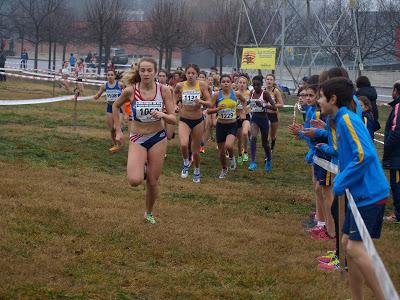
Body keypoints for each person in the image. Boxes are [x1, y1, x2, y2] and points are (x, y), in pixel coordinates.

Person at [319, 77, 389, 300]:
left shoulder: (347, 120)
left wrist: (340, 181)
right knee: (348, 245)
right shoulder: (340, 120)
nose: (318, 101)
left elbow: (364, 155)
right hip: (358, 194)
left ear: (333, 99)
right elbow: (349, 154)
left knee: (356, 249)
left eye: (321, 96)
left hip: (369, 194)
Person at [112, 58, 177, 225]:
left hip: (157, 137)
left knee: (153, 182)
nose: (146, 73)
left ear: (155, 72)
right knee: (134, 181)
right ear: (139, 72)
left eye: (149, 70)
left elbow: (173, 119)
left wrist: (162, 115)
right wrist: (118, 130)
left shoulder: (164, 91)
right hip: (137, 137)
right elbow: (115, 105)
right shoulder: (130, 91)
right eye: (143, 70)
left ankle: (148, 212)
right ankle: (144, 168)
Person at [174, 64, 212, 183]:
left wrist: (200, 101)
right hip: (184, 119)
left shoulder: (202, 85)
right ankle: (186, 161)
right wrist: (175, 106)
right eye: (188, 73)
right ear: (185, 74)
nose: (190, 75)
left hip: (197, 120)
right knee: (184, 144)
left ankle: (197, 170)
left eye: (193, 73)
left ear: (197, 74)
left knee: (195, 151)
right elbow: (173, 99)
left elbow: (210, 102)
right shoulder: (180, 85)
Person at [207, 74, 247, 178]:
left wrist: (243, 112)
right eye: (223, 81)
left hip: (232, 124)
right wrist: (217, 109)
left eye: (228, 81)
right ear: (220, 83)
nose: (225, 83)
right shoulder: (216, 95)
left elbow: (244, 101)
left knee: (229, 146)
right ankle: (224, 168)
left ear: (231, 83)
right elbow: (209, 110)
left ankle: (232, 157)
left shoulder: (236, 93)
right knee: (221, 152)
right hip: (220, 125)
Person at [248, 75, 276, 172]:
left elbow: (274, 107)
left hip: (264, 119)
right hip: (255, 119)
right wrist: (248, 103)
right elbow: (249, 103)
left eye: (258, 85)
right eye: (254, 84)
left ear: (261, 84)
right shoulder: (251, 93)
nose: (255, 86)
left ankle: (269, 159)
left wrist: (264, 104)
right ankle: (253, 162)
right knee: (253, 138)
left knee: (265, 143)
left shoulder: (265, 94)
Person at [94, 69, 124, 153]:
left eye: (111, 75)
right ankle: (114, 144)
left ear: (114, 76)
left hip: (118, 108)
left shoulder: (120, 85)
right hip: (109, 108)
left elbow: (128, 92)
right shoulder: (104, 86)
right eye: (108, 75)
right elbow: (98, 95)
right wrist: (95, 96)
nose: (110, 76)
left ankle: (120, 137)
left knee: (116, 127)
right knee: (111, 129)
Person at [383, 82, 400, 222]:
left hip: (397, 155)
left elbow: (395, 132)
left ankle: (398, 215)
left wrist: (387, 150)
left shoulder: (398, 107)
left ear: (395, 91)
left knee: (397, 184)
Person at [265, 74, 284, 151]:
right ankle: (267, 149)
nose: (269, 81)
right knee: (266, 133)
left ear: (273, 81)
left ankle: (272, 147)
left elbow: (281, 104)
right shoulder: (263, 90)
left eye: (271, 79)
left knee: (273, 135)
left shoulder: (275, 91)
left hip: (274, 114)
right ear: (265, 80)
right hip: (265, 114)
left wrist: (272, 105)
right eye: (268, 79)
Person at [236, 75, 251, 165]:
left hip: (246, 117)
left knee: (245, 133)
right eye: (240, 83)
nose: (242, 84)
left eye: (244, 83)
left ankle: (245, 152)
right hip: (236, 117)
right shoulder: (234, 93)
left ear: (246, 84)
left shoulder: (249, 93)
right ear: (237, 84)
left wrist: (245, 112)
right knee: (239, 138)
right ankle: (239, 154)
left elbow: (251, 106)